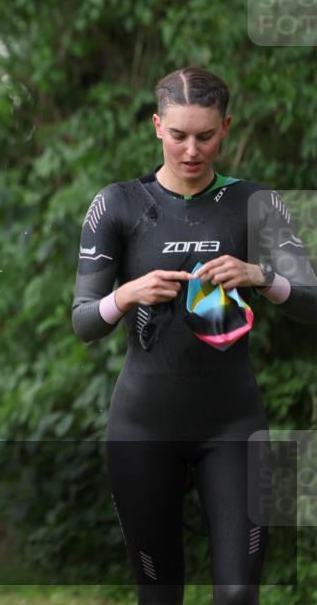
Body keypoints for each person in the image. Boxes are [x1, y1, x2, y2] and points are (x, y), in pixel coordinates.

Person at [71, 67, 317, 604]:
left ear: (225, 127)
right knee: (161, 596)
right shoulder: (118, 204)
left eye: (205, 136)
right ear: (157, 126)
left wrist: (262, 277)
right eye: (178, 134)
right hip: (142, 428)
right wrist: (128, 293)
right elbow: (84, 320)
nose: (191, 150)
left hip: (233, 427)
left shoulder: (255, 203)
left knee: (236, 595)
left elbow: (312, 301)